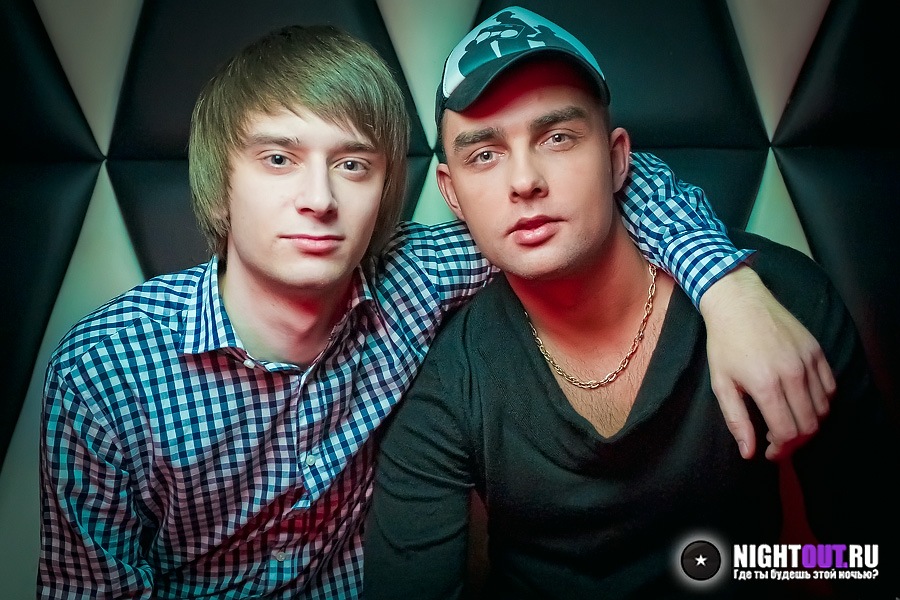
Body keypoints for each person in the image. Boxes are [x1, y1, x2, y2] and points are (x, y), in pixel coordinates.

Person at [39, 20, 833, 600]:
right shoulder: (108, 370)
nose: (318, 199)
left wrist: (726, 284)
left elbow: (594, 197)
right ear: (220, 184)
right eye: (279, 159)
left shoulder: (418, 278)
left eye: (353, 165)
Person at [363, 6, 897, 599]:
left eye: (557, 137)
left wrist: (755, 567)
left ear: (618, 159)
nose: (524, 181)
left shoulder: (779, 300)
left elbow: (867, 556)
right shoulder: (445, 372)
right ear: (452, 194)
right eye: (484, 154)